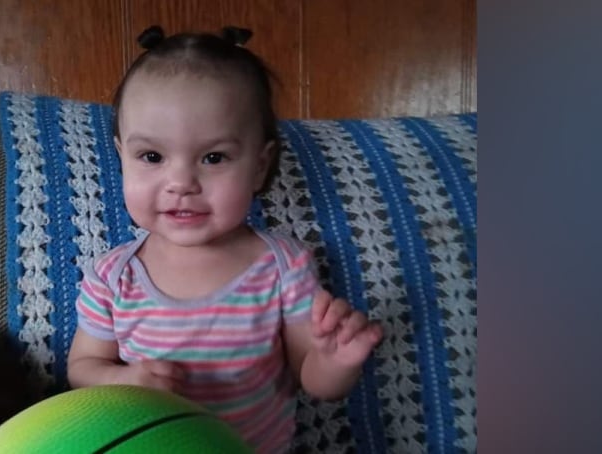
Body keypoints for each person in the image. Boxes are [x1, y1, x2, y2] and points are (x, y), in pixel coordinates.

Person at [66, 25, 383, 453]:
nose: (181, 182)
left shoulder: (282, 266)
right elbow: (83, 367)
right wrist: (121, 380)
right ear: (122, 156)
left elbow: (314, 380)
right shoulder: (112, 276)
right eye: (152, 157)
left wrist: (336, 359)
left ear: (259, 165)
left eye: (214, 157)